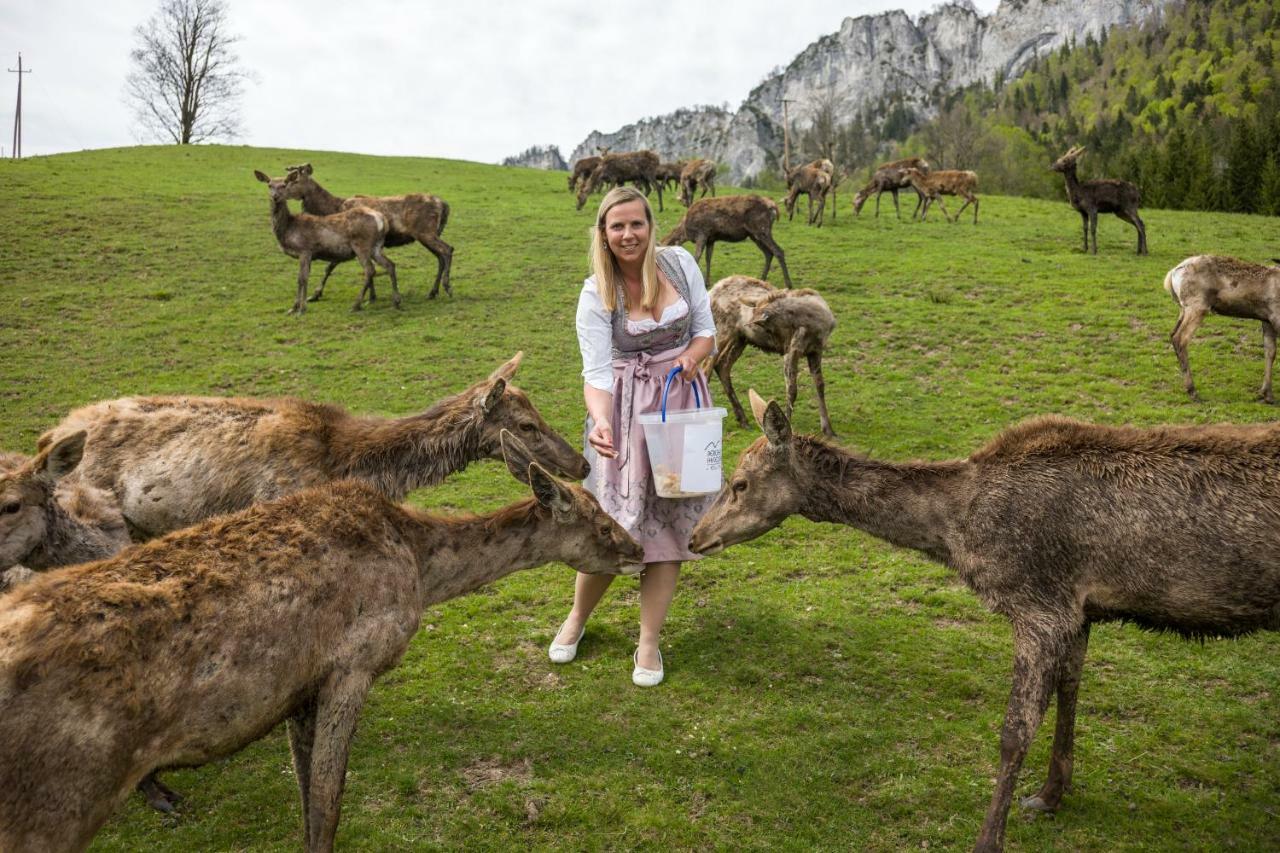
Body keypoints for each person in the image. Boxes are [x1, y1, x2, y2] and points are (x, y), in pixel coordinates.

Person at [550, 185, 717, 687]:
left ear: (650, 225)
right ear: (602, 232)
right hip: (624, 415)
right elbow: (597, 374)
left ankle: (649, 641)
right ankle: (577, 618)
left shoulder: (681, 264)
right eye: (616, 226)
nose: (628, 234)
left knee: (668, 526)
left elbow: (705, 330)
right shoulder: (595, 291)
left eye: (636, 224)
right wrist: (600, 421)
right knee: (614, 526)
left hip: (682, 403)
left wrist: (691, 358)